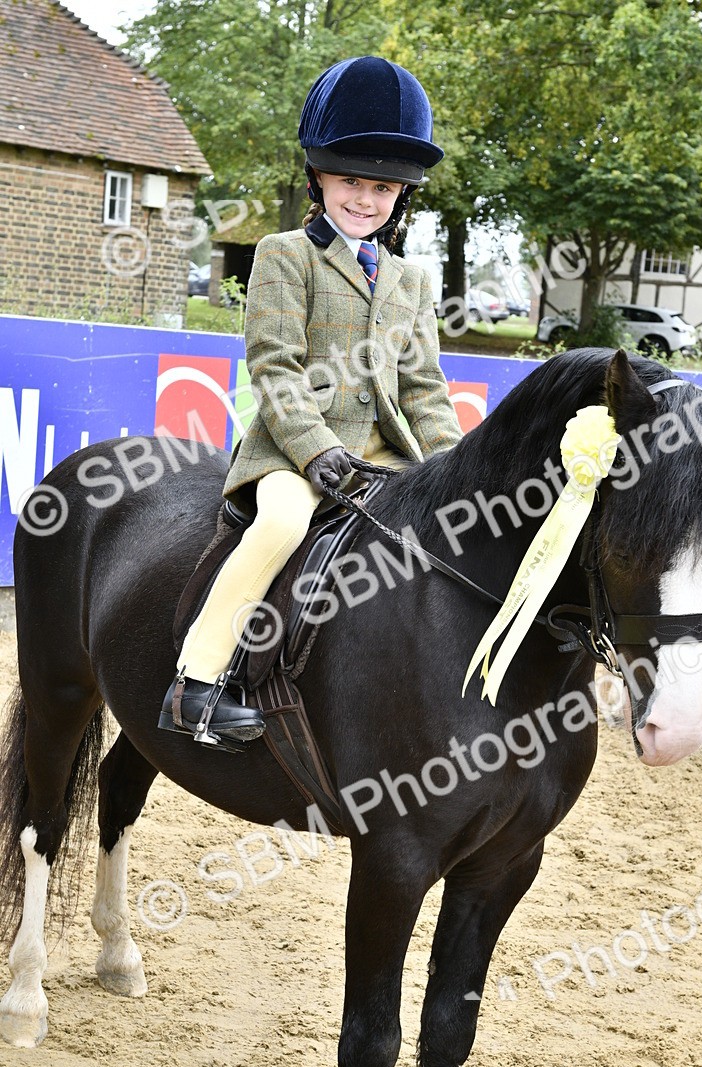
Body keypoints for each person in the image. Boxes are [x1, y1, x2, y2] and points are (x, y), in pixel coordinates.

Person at [159, 55, 463, 746]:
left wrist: (454, 462)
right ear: (320, 178)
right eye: (351, 180)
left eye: (383, 186)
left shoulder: (412, 281)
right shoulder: (282, 254)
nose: (365, 198)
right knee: (280, 529)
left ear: (401, 196)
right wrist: (316, 449)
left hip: (385, 449)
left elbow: (422, 388)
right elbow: (275, 366)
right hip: (295, 453)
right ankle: (198, 684)